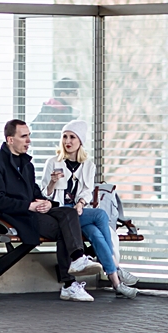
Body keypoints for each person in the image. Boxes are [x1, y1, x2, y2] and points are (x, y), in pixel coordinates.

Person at [0, 119, 101, 302]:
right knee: (63, 228)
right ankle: (69, 282)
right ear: (10, 140)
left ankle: (77, 260)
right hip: (12, 217)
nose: (29, 140)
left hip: (31, 211)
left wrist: (47, 203)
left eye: (29, 136)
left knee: (67, 213)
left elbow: (35, 192)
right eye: (24, 136)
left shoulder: (26, 164)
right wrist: (30, 206)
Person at [40, 120, 139, 298]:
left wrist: (80, 204)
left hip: (78, 211)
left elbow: (86, 191)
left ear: (81, 141)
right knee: (100, 215)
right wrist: (53, 183)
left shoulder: (88, 165)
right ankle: (115, 268)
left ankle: (117, 284)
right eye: (64, 137)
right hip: (61, 214)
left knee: (95, 233)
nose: (67, 141)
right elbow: (44, 195)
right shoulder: (52, 162)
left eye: (72, 137)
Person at [29, 77, 80, 145]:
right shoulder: (55, 115)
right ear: (63, 95)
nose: (77, 97)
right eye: (75, 93)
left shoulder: (49, 111)